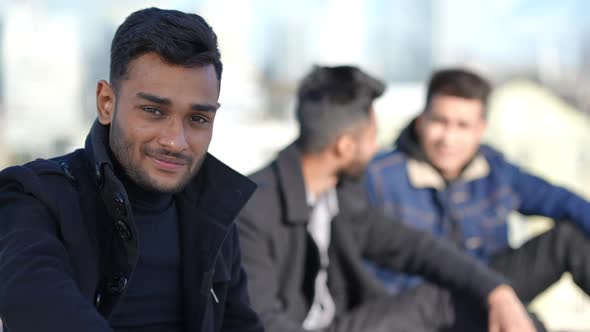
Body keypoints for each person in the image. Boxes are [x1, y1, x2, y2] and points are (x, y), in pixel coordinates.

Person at [0, 8, 263, 332]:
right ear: (106, 103)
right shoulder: (34, 197)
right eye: (153, 110)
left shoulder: (214, 213)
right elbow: (37, 307)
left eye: (197, 119)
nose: (175, 141)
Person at [238, 65, 537, 332]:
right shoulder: (251, 207)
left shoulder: (338, 192)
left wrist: (497, 291)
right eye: (372, 137)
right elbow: (260, 321)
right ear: (344, 147)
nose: (377, 146)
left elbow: (416, 248)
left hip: (347, 322)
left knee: (446, 298)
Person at [365, 68, 590, 320]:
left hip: (493, 294)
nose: (448, 138)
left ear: (480, 129)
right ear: (421, 121)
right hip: (418, 308)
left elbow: (563, 202)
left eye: (462, 126)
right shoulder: (379, 175)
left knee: (569, 237)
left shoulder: (496, 171)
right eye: (439, 122)